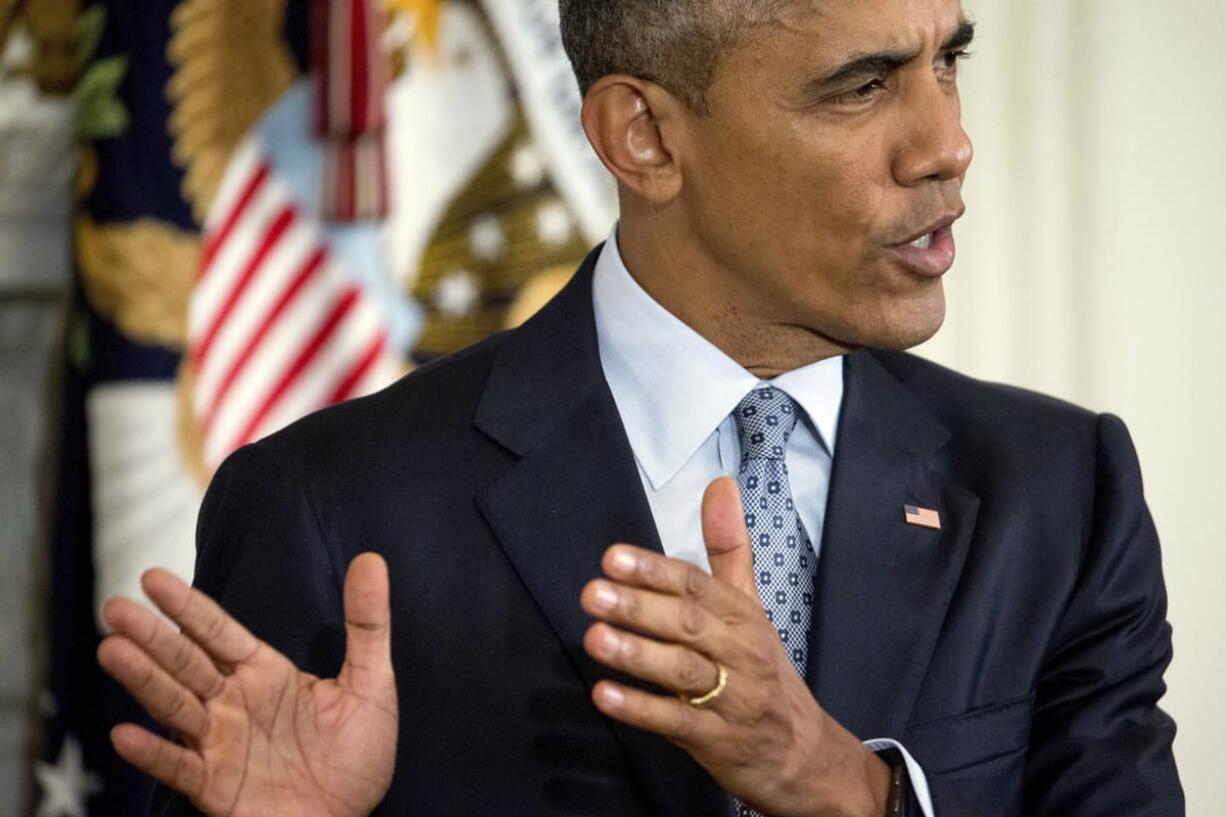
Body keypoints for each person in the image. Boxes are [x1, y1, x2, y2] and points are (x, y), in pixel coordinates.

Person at [96, 0, 1185, 815]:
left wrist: (844, 787)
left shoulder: (1058, 490)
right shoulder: (331, 506)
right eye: (861, 86)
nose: (945, 144)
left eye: (947, 61)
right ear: (644, 139)